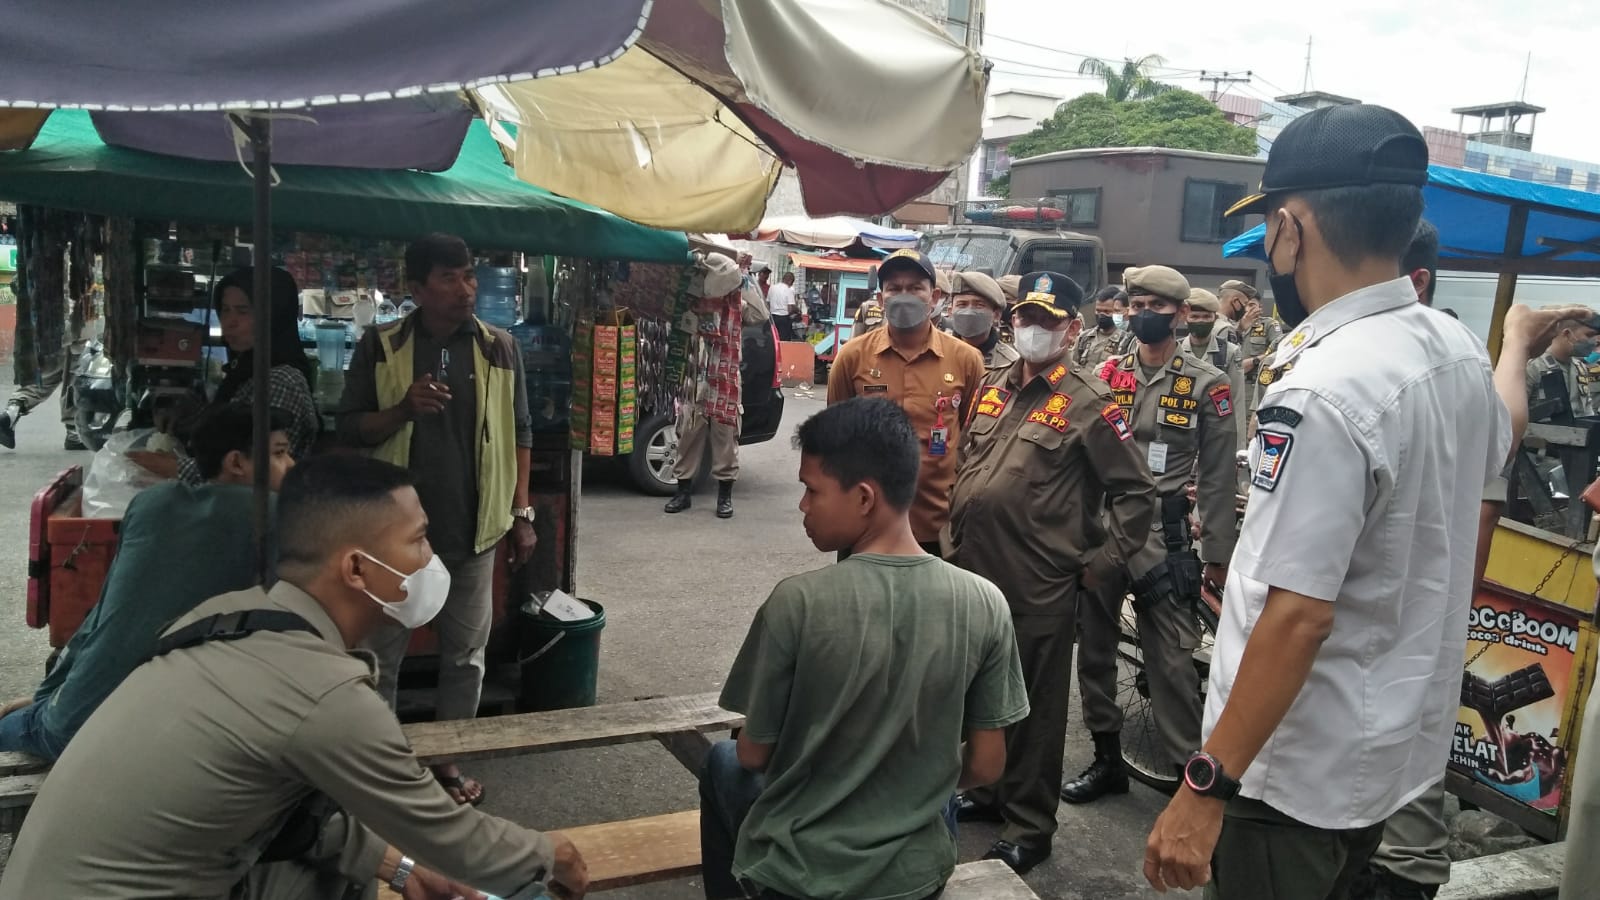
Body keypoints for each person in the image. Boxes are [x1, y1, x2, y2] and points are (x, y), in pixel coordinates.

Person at [1143, 104, 1510, 898]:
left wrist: (1206, 788)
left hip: (1290, 772)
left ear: (1289, 229)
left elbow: (1298, 612)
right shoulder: (1454, 351)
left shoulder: (1324, 387)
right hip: (1386, 751)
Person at [0, 455, 587, 900]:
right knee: (515, 879)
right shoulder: (324, 693)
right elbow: (453, 838)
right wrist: (554, 853)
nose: (430, 558)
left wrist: (401, 870)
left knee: (325, 870)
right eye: (418, 539)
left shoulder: (227, 618)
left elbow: (286, 822)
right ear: (357, 568)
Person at [701, 398, 1029, 900]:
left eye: (812, 490)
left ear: (863, 498)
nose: (803, 506)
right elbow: (985, 766)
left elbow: (753, 751)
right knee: (933, 790)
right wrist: (911, 785)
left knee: (722, 761)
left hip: (803, 875)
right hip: (915, 878)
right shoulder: (985, 602)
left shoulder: (798, 602)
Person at [945, 270, 1157, 874]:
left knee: (1034, 711)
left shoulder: (1091, 402)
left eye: (1047, 320)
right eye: (1025, 318)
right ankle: (988, 790)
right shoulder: (995, 386)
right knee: (981, 696)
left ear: (1072, 328)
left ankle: (1030, 825)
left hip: (1039, 583)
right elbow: (970, 463)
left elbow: (1136, 494)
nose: (1032, 329)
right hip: (973, 571)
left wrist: (1102, 565)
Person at [337, 233, 536, 806]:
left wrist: (521, 513)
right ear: (417, 288)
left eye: (469, 275)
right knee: (381, 657)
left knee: (466, 657)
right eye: (449, 278)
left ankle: (446, 765)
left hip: (475, 531)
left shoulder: (501, 348)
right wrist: (402, 410)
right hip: (392, 538)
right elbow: (349, 427)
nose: (465, 288)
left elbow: (521, 433)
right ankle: (381, 768)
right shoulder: (381, 347)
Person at [0, 406, 292, 759]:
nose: (291, 464)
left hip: (78, 716)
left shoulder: (152, 504)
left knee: (27, 720)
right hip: (108, 733)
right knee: (31, 723)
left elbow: (98, 622)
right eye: (280, 453)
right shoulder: (275, 517)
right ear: (236, 462)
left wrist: (48, 697)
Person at [1066, 266, 1237, 806]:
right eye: (1135, 302)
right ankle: (1107, 759)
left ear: (1182, 315)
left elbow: (1217, 477)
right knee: (1095, 649)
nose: (1142, 313)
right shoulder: (1106, 372)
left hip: (1164, 535)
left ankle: (1192, 781)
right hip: (1104, 526)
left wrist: (1217, 553)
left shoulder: (1208, 384)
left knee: (1171, 660)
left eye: (1156, 306)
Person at [827, 249, 985, 555]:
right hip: (865, 522)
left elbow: (974, 439)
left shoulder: (966, 360)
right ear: (881, 298)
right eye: (894, 288)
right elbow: (835, 437)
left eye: (915, 288)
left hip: (937, 526)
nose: (904, 296)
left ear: (935, 296)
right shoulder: (852, 357)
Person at [665, 254, 745, 519]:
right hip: (695, 376)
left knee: (725, 436)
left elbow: (760, 315)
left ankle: (724, 497)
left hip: (725, 379)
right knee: (688, 432)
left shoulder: (737, 301)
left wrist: (742, 279)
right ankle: (683, 492)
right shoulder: (692, 298)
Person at [1216, 280, 1279, 422]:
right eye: (1245, 304)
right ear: (1234, 301)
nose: (1246, 309)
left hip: (1251, 386)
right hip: (1226, 386)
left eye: (1250, 305)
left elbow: (1277, 351)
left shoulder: (1267, 325)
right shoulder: (1227, 326)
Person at [1182, 288, 1246, 423]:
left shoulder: (1229, 352)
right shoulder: (1176, 350)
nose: (1201, 321)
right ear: (1185, 318)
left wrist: (1238, 444)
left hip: (1215, 426)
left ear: (1215, 319)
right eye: (1194, 316)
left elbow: (1237, 400)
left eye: (1206, 317)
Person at [1525, 315, 1600, 418]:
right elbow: (1510, 414)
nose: (1595, 341)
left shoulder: (1580, 368)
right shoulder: (1533, 366)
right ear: (1567, 334)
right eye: (1589, 335)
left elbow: (1587, 411)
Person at [948, 270, 1020, 369]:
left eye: (979, 305)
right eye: (962, 304)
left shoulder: (1010, 365)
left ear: (996, 315)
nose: (969, 312)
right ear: (950, 311)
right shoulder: (936, 353)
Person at [1073, 286, 1135, 368]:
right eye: (1098, 311)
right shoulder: (1084, 337)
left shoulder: (1126, 341)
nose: (1101, 315)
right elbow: (1073, 367)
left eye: (1107, 311)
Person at [766, 271, 798, 341]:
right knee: (783, 340)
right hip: (784, 318)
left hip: (772, 317)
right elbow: (790, 308)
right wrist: (796, 311)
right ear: (790, 281)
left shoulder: (772, 287)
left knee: (773, 338)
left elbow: (767, 303)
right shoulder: (788, 289)